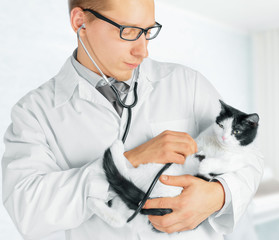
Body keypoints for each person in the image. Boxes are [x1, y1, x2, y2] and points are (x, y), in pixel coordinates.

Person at [1, 0, 263, 239]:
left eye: (148, 32)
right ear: (80, 22)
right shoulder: (34, 112)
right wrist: (128, 161)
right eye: (128, 31)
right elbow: (28, 209)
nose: (143, 51)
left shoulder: (187, 83)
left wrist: (219, 195)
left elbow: (250, 159)